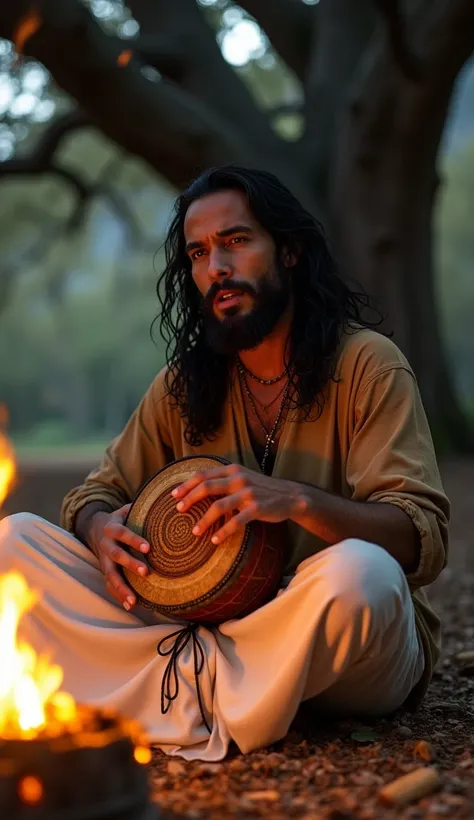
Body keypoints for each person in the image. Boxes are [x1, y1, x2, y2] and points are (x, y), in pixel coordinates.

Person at [0, 166, 449, 762]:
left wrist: (292, 499)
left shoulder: (368, 365)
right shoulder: (184, 386)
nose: (217, 268)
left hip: (333, 639)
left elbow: (419, 539)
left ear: (288, 250)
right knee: (16, 541)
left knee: (362, 576)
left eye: (236, 241)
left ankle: (157, 695)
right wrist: (99, 530)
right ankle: (237, 697)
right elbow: (96, 492)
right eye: (199, 252)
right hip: (212, 633)